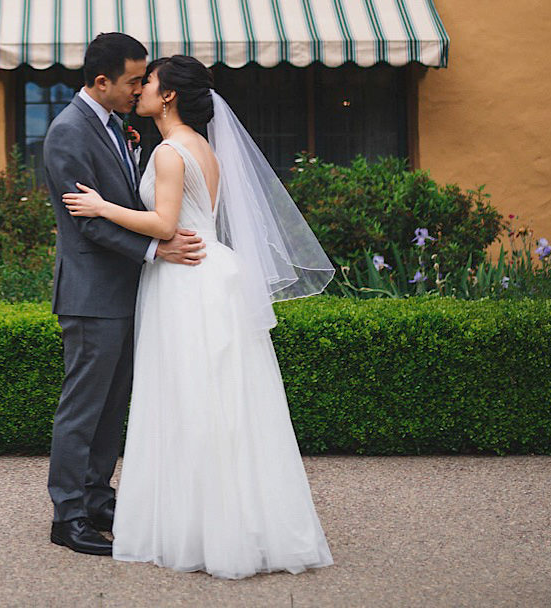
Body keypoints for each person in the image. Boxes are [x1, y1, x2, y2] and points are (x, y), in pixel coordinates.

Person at [62, 54, 336, 580]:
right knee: (226, 402)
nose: (140, 89)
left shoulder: (170, 151)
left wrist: (101, 207)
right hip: (213, 273)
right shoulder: (201, 146)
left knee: (188, 398)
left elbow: (166, 224)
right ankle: (236, 521)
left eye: (150, 83)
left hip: (186, 281)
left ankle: (196, 526)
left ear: (167, 96)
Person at [41, 33, 208, 557]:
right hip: (92, 295)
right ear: (101, 82)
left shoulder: (118, 127)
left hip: (126, 292)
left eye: (143, 81)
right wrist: (158, 252)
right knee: (82, 408)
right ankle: (67, 516)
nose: (139, 89)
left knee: (112, 406)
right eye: (134, 80)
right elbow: (87, 226)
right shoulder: (69, 132)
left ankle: (95, 495)